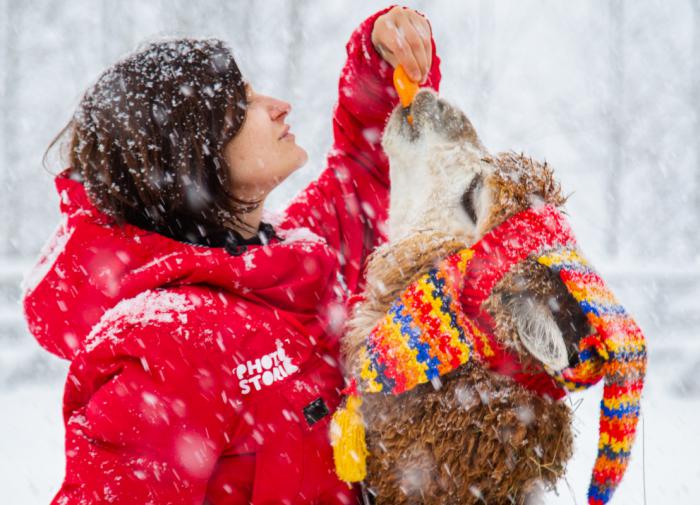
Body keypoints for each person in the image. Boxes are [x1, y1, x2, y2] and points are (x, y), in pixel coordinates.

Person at [22, 5, 441, 504]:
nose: (280, 105)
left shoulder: (290, 261)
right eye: (243, 105)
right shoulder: (164, 346)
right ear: (190, 157)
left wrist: (381, 57)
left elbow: (372, 173)